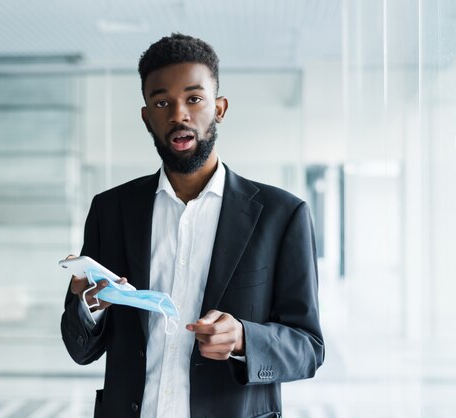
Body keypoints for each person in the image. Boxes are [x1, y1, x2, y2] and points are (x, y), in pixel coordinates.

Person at [61, 33, 324, 418]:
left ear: (219, 108)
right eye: (162, 102)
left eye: (194, 99)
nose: (178, 114)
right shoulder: (111, 210)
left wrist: (244, 339)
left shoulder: (282, 215)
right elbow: (80, 349)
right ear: (146, 115)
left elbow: (308, 348)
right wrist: (90, 305)